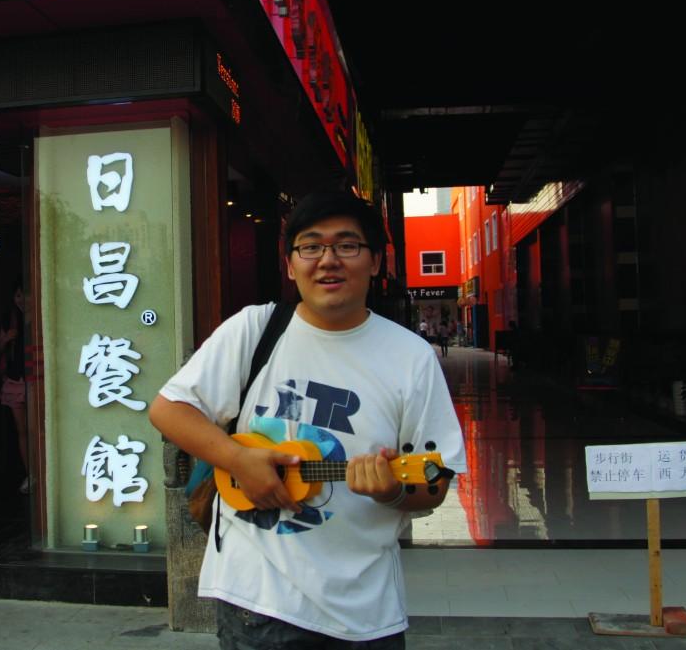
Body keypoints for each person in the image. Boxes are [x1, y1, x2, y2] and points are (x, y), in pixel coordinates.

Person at [150, 192, 466, 648]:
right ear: (291, 263)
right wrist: (238, 460)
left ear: (376, 261)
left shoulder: (410, 358)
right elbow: (168, 409)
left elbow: (434, 482)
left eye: (347, 245)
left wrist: (395, 490)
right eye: (311, 246)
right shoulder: (253, 330)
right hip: (256, 598)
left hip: (364, 606)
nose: (328, 260)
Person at [0, 284, 31, 494]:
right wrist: (7, 338)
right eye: (17, 294)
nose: (21, 299)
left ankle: (41, 472)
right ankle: (30, 474)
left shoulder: (38, 315)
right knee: (22, 431)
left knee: (36, 430)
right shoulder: (9, 318)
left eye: (24, 294)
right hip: (14, 378)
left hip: (34, 378)